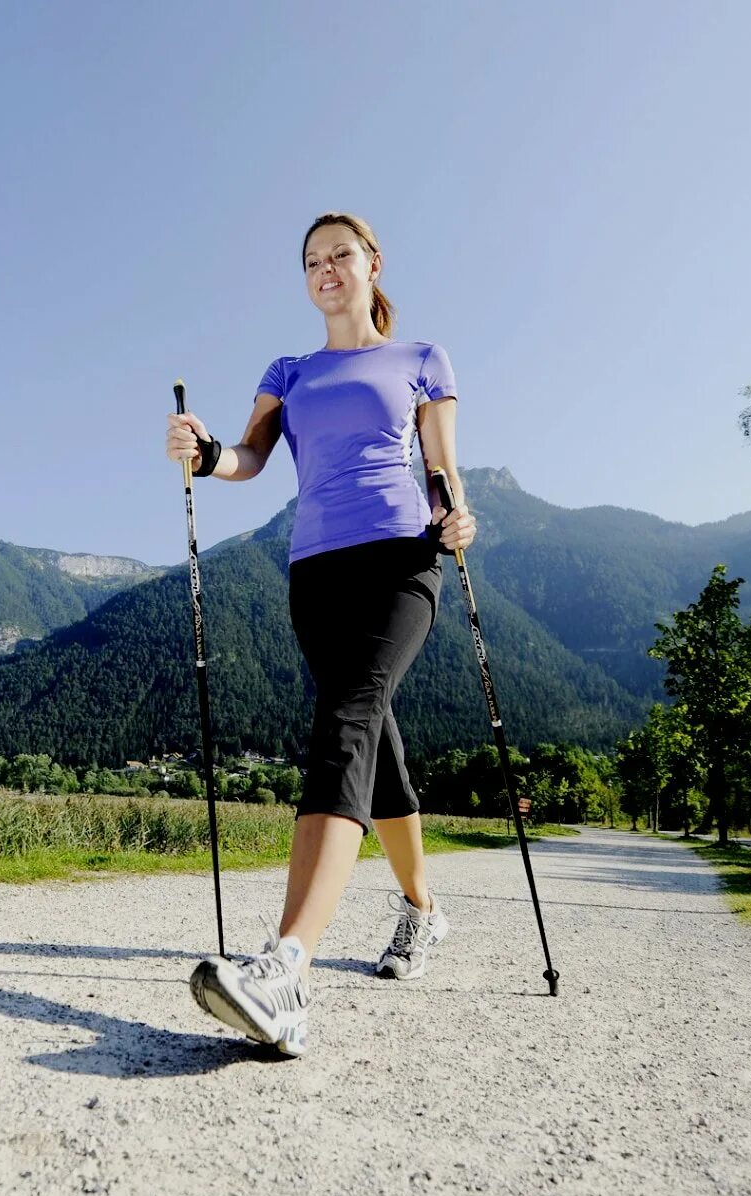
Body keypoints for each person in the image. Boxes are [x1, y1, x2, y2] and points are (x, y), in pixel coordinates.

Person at [163, 211, 477, 1057]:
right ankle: (422, 909)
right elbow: (250, 458)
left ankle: (287, 967)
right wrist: (203, 452)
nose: (326, 268)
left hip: (400, 562)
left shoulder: (420, 359)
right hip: (315, 572)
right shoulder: (290, 370)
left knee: (344, 718)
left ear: (373, 264)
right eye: (311, 260)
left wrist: (454, 518)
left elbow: (441, 467)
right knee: (373, 734)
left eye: (340, 254)